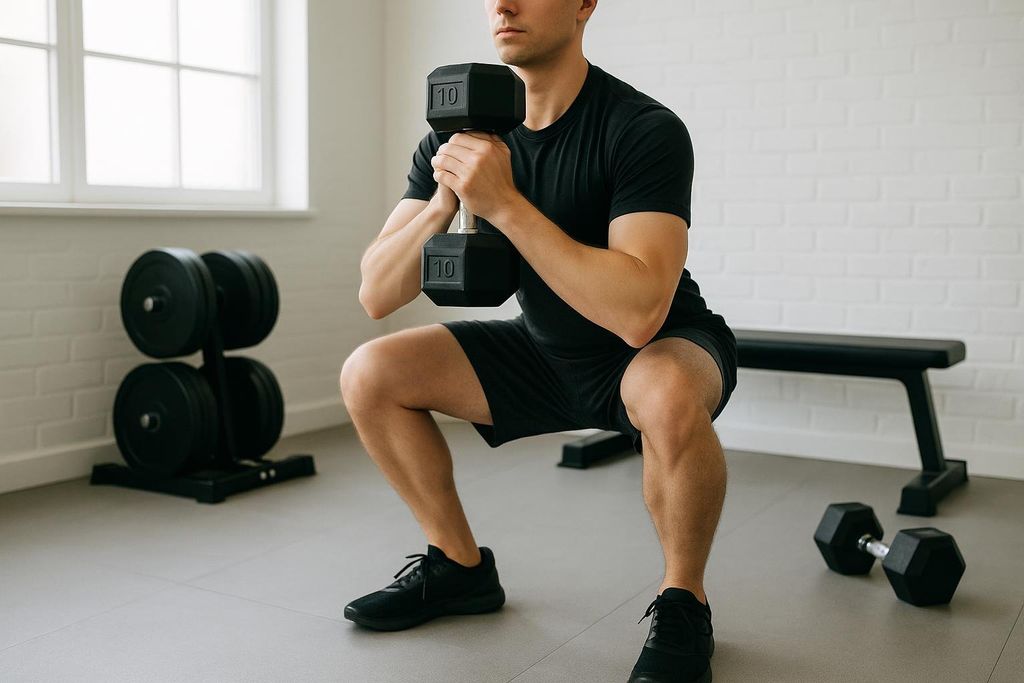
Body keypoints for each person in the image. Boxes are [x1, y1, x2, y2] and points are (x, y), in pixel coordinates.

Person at [340, 1, 737, 681]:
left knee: (666, 387)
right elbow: (377, 292)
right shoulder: (457, 141)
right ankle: (458, 566)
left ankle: (683, 598)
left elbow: (641, 309)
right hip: (544, 350)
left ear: (584, 4)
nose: (503, 3)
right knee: (371, 370)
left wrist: (503, 205)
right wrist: (445, 199)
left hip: (657, 346)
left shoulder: (642, 128)